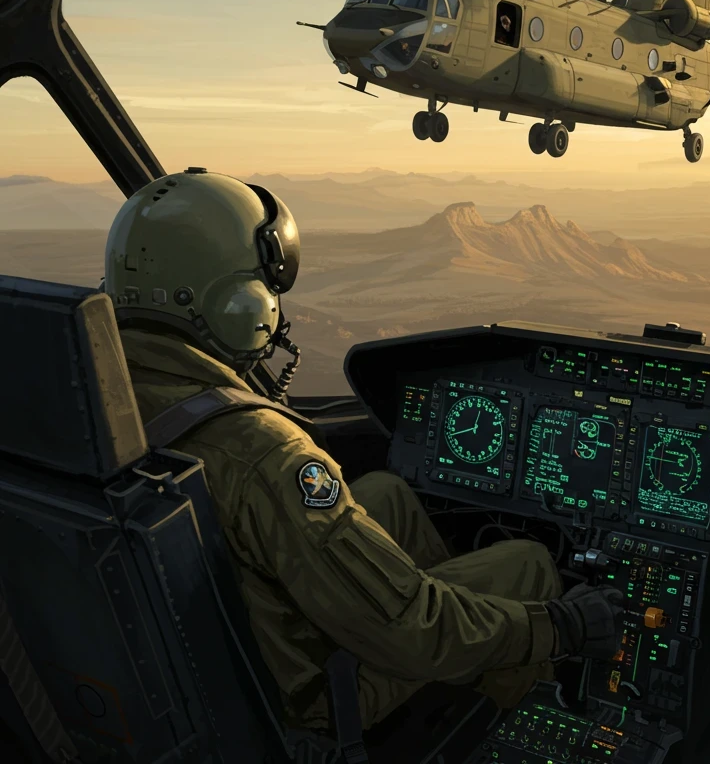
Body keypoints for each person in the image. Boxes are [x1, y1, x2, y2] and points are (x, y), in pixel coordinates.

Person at [102, 167, 623, 738]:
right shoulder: (259, 451)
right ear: (234, 299)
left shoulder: (95, 394)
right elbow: (412, 626)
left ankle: (462, 687)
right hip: (303, 706)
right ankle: (515, 730)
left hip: (197, 671)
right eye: (266, 284)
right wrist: (563, 627)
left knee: (386, 496)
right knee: (524, 565)